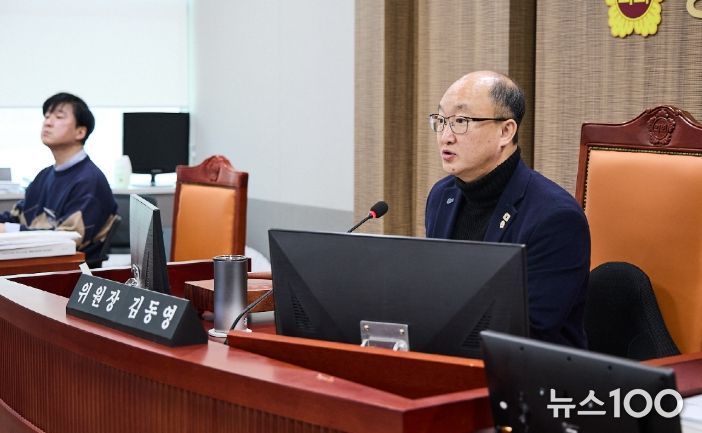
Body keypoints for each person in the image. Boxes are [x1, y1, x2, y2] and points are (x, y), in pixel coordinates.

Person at [425, 71, 590, 348]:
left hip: (531, 367)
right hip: (453, 357)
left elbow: (531, 331)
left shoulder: (555, 217)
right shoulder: (442, 196)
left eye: (461, 121)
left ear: (506, 131)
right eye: (441, 121)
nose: (446, 137)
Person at [0, 92, 118, 266]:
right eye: (47, 116)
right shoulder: (44, 175)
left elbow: (66, 240)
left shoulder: (89, 181)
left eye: (59, 117)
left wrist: (8, 230)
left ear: (80, 132)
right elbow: (18, 216)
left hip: (65, 272)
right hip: (34, 264)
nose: (47, 122)